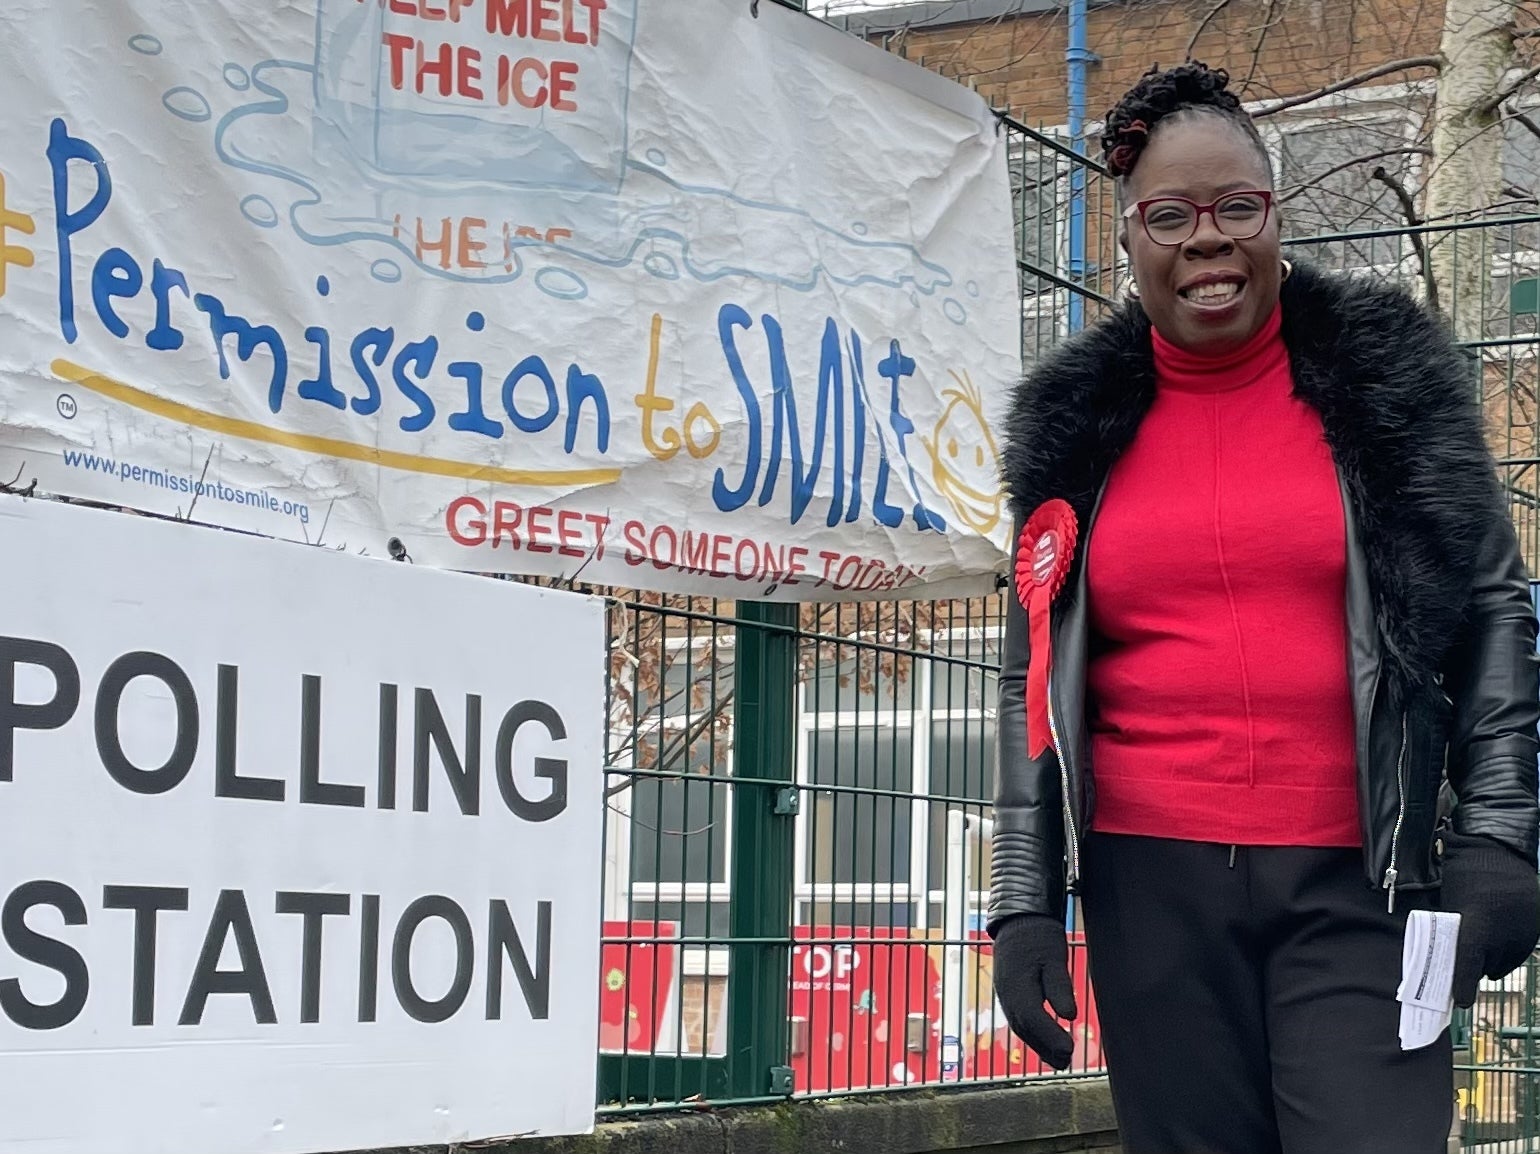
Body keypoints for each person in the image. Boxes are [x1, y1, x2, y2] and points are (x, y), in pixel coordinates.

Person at [988, 61, 1540, 1154]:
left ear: (1274, 216)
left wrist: (1500, 837)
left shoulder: (1390, 382)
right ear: (1129, 235)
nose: (1209, 239)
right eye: (1170, 215)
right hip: (1149, 885)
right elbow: (1031, 675)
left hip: (1369, 877)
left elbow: (1492, 610)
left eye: (1237, 206)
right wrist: (1022, 897)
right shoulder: (1070, 424)